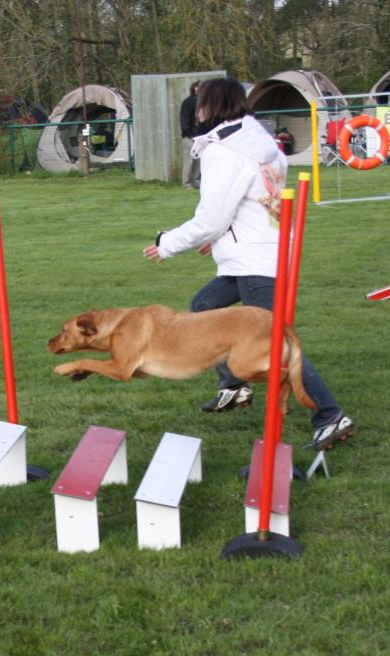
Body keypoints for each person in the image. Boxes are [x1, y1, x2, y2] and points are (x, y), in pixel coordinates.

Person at [142, 77, 355, 451]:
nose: (199, 111)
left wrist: (168, 244)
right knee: (204, 308)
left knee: (278, 345)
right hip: (256, 253)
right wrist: (219, 238)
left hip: (256, 261)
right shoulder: (259, 141)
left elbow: (212, 217)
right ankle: (234, 386)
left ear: (210, 108)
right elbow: (256, 204)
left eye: (201, 104)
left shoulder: (224, 151)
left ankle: (330, 415)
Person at [180, 81, 201, 188]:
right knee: (189, 159)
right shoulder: (188, 102)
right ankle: (186, 182)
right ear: (195, 89)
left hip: (200, 136)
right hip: (190, 136)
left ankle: (195, 181)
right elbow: (184, 118)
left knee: (198, 159)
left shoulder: (202, 102)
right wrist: (188, 133)